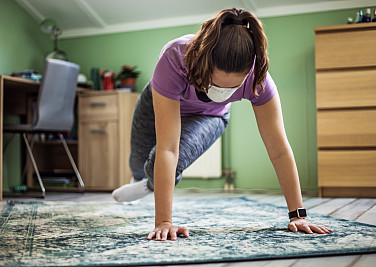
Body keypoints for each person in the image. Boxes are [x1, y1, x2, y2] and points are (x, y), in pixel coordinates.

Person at [112, 8, 332, 241]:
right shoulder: (175, 58)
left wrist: (297, 215)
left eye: (233, 88)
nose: (223, 92)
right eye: (216, 84)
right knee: (139, 163)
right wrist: (164, 222)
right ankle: (142, 180)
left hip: (209, 116)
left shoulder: (258, 79)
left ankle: (149, 186)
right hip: (159, 101)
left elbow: (279, 149)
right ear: (203, 61)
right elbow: (169, 146)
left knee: (159, 162)